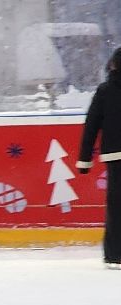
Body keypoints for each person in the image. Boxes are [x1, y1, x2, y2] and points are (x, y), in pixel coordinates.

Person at [77, 46, 121, 268]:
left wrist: (84, 159)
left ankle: (114, 254)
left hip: (115, 156)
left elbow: (91, 126)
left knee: (116, 206)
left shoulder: (105, 91)